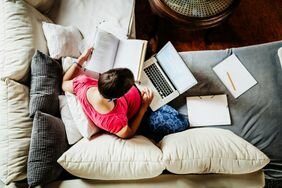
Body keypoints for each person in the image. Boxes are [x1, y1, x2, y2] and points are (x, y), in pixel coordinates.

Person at [62, 47, 154, 139]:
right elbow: (129, 133)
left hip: (139, 87)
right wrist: (144, 107)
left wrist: (82, 59)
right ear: (116, 97)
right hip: (144, 109)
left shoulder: (82, 83)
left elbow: (64, 83)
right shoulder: (114, 120)